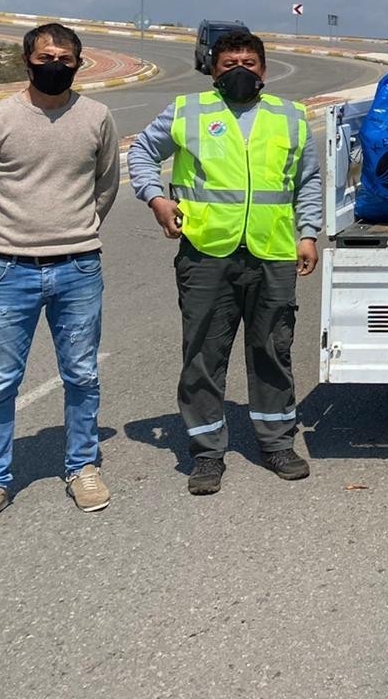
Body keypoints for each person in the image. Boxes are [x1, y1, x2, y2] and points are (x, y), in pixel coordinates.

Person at [127, 30, 321, 496]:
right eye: (230, 62)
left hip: (272, 252)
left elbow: (308, 180)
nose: (240, 70)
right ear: (213, 69)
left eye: (249, 63)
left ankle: (276, 443)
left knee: (273, 350)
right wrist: (155, 199)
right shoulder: (187, 111)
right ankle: (206, 453)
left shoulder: (290, 117)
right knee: (203, 354)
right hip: (206, 252)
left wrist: (308, 233)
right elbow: (140, 153)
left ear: (264, 70)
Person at [0, 22, 120, 534]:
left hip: (78, 268)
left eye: (65, 57)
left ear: (79, 62)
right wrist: (9, 235)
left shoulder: (97, 117)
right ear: (27, 61)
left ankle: (83, 467)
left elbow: (106, 185)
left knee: (82, 375)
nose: (56, 64)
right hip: (9, 271)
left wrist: (75, 231)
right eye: (46, 56)